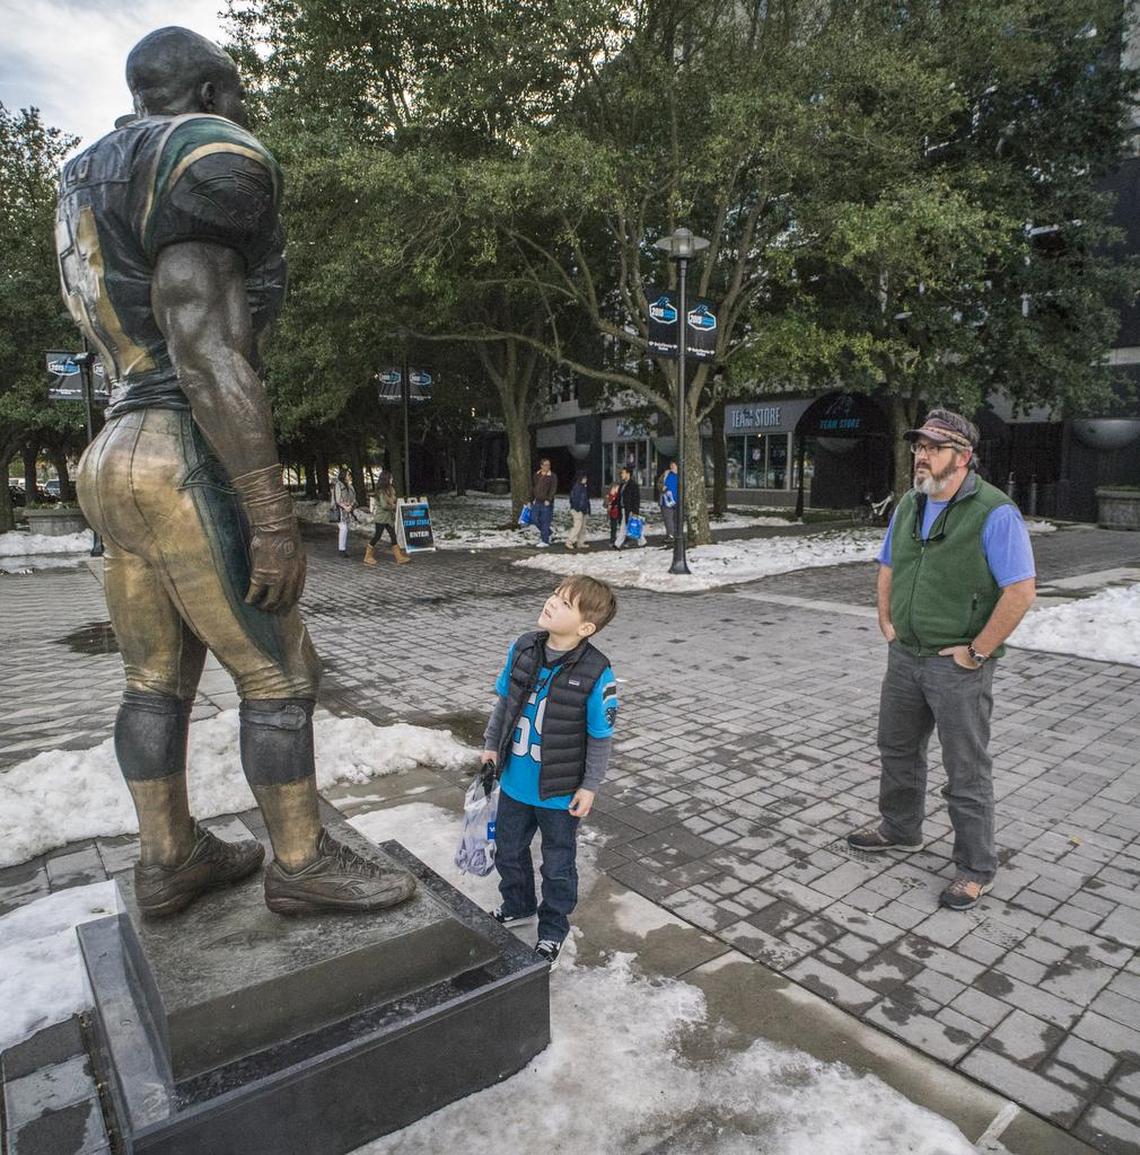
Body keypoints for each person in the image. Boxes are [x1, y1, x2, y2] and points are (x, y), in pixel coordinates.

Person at [59, 26, 415, 919]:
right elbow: (208, 347)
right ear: (213, 91)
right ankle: (299, 860)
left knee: (153, 680)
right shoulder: (205, 157)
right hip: (180, 444)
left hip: (111, 449)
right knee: (280, 675)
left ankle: (169, 855)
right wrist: (266, 505)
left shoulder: (89, 171)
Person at [847, 408, 1036, 911]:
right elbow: (889, 563)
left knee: (966, 768)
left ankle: (976, 867)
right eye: (918, 447)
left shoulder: (996, 512)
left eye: (933, 447)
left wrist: (978, 651)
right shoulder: (911, 502)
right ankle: (900, 828)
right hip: (905, 655)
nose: (921, 456)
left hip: (957, 666)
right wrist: (886, 619)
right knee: (897, 749)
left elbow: (1020, 590)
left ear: (963, 457)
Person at [479, 575, 619, 968]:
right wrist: (491, 746)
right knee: (508, 850)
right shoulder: (523, 647)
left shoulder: (596, 673)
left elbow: (600, 736)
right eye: (554, 595)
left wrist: (589, 786)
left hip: (558, 792)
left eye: (565, 603)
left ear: (585, 627)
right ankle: (517, 903)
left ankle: (552, 930)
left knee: (557, 865)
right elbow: (504, 702)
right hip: (515, 782)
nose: (552, 603)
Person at [365, 471, 408, 566]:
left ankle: (399, 557)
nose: (392, 480)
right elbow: (384, 505)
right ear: (386, 479)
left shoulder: (390, 489)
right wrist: (394, 506)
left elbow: (392, 500)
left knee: (393, 535)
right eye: (391, 478)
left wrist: (393, 504)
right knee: (377, 536)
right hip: (381, 518)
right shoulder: (381, 491)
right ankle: (367, 556)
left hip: (388, 518)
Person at [613, 466, 645, 549]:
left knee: (626, 526)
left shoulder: (633, 485)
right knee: (630, 526)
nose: (621, 474)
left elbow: (636, 499)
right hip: (623, 509)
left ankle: (617, 544)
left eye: (623, 473)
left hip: (629, 509)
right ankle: (642, 541)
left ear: (628, 474)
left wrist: (635, 511)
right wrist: (612, 504)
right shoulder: (622, 485)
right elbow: (619, 497)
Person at [531, 457, 557, 547]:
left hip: (546, 502)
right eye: (545, 465)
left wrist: (549, 499)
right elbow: (534, 487)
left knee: (545, 521)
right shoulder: (536, 475)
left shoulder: (552, 476)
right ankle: (548, 532)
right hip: (537, 501)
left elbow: (553, 489)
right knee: (534, 519)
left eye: (549, 465)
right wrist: (531, 499)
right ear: (541, 466)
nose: (548, 466)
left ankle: (544, 541)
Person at [333, 468, 356, 557]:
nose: (349, 476)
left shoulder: (350, 486)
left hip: (347, 510)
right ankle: (341, 549)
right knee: (343, 528)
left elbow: (354, 498)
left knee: (345, 529)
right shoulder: (338, 485)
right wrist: (345, 506)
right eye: (348, 475)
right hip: (340, 510)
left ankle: (343, 549)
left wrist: (351, 505)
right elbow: (337, 499)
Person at [566, 472, 591, 551]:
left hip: (583, 510)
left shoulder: (583, 487)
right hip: (578, 510)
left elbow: (586, 500)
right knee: (577, 526)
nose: (586, 479)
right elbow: (575, 499)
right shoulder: (578, 487)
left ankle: (580, 542)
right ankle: (569, 541)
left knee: (582, 527)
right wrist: (578, 509)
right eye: (584, 478)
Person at [659, 460, 679, 545]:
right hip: (665, 500)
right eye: (671, 464)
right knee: (668, 518)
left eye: (674, 464)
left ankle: (674, 534)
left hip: (677, 500)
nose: (672, 466)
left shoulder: (681, 475)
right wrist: (662, 487)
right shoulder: (666, 473)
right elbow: (659, 483)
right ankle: (670, 535)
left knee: (675, 519)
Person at [606, 482, 622, 547]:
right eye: (616, 487)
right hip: (613, 513)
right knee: (613, 528)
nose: (617, 489)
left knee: (622, 527)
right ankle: (612, 540)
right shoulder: (610, 495)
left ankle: (623, 540)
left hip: (619, 512)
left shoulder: (619, 494)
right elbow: (606, 504)